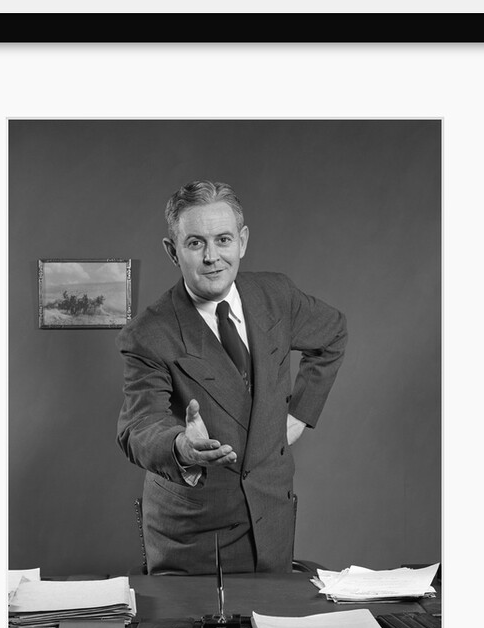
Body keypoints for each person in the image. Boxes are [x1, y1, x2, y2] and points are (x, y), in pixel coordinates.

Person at [116, 180, 347, 575]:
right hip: (193, 532)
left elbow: (333, 333)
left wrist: (299, 415)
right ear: (173, 251)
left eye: (223, 240)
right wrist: (181, 447)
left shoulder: (276, 295)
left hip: (272, 517)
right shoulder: (148, 333)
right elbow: (137, 426)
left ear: (242, 241)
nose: (212, 257)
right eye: (195, 243)